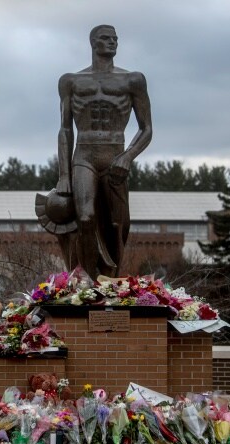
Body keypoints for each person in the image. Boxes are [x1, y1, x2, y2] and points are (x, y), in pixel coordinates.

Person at [54, 24, 153, 279]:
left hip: (115, 155)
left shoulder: (133, 80)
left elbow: (147, 128)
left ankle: (112, 281)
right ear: (92, 42)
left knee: (119, 224)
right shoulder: (71, 81)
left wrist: (127, 156)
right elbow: (65, 130)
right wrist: (63, 175)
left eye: (115, 39)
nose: (112, 42)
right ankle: (86, 280)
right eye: (105, 38)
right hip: (84, 155)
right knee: (85, 217)